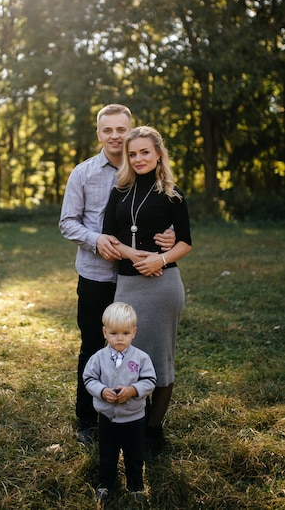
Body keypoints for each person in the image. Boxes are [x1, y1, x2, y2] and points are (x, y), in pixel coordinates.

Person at [59, 105, 175, 444]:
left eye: (121, 129)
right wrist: (96, 240)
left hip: (138, 279)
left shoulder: (144, 170)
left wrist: (168, 232)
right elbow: (67, 222)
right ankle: (88, 420)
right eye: (107, 130)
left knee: (139, 350)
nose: (114, 136)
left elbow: (165, 209)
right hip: (96, 275)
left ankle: (140, 421)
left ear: (129, 131)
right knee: (94, 345)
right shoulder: (83, 173)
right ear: (99, 134)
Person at [102, 125, 192, 460]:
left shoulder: (172, 192)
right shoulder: (120, 191)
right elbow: (109, 237)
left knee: (160, 361)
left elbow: (186, 241)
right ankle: (134, 421)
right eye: (133, 153)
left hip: (163, 286)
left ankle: (154, 430)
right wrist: (133, 254)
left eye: (145, 152)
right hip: (127, 285)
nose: (139, 159)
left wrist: (161, 259)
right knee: (127, 361)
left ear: (157, 154)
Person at [83, 302, 156, 507]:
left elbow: (149, 381)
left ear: (134, 332)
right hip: (108, 417)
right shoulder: (98, 358)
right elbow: (89, 379)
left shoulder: (141, 358)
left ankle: (135, 486)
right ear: (105, 332)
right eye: (114, 333)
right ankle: (105, 484)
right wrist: (101, 391)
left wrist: (133, 391)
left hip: (134, 418)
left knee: (135, 454)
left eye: (125, 333)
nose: (120, 338)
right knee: (107, 453)